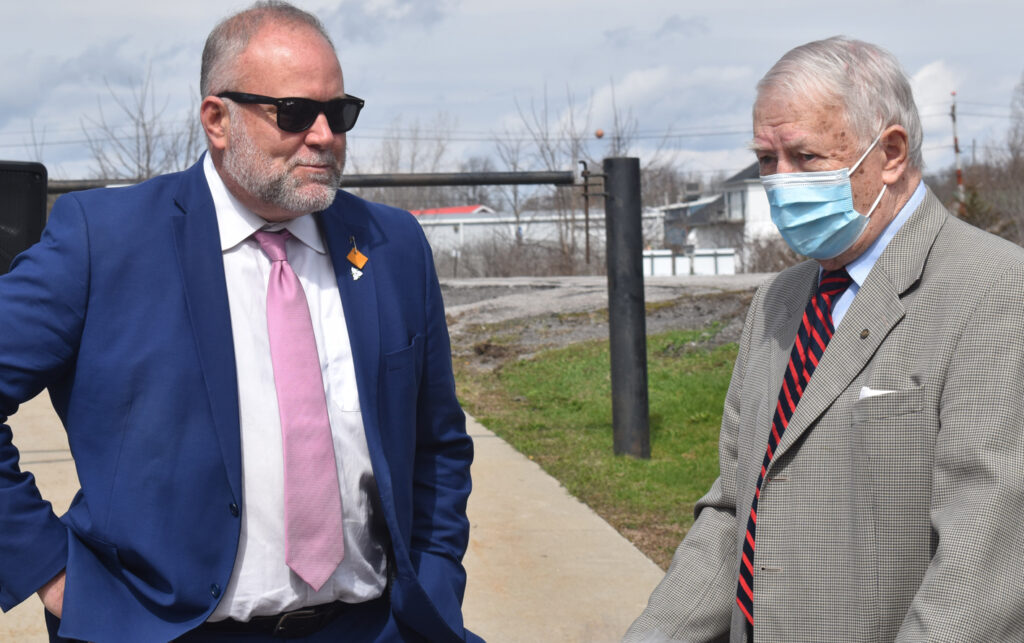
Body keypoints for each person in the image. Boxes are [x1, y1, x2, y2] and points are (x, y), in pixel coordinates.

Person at [0, 2, 480, 641]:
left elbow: (437, 443)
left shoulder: (391, 245)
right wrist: (49, 570)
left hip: (367, 626)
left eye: (339, 114)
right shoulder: (103, 240)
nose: (324, 136)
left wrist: (436, 587)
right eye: (294, 113)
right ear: (217, 119)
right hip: (162, 629)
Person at [625, 36, 1024, 643]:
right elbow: (736, 507)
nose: (779, 182)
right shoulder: (778, 303)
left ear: (890, 152)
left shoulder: (994, 290)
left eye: (805, 157)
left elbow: (987, 553)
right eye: (766, 158)